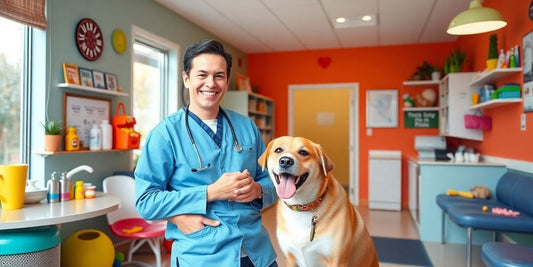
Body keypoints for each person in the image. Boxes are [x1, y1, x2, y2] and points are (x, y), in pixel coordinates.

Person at [135, 39, 278, 267]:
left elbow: (273, 181)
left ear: (227, 81)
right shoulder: (164, 135)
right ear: (186, 78)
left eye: (219, 76)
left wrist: (259, 190)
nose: (210, 83)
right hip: (202, 254)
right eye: (202, 75)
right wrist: (210, 192)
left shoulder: (247, 127)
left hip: (256, 253)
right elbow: (146, 202)